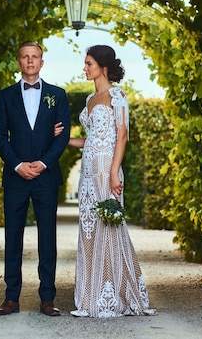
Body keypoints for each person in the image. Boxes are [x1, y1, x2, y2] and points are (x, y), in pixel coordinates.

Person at [61, 44, 157, 317]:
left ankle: (117, 296)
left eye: (89, 63)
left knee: (110, 227)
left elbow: (122, 135)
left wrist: (115, 172)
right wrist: (64, 139)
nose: (85, 68)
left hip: (107, 170)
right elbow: (89, 140)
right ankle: (90, 300)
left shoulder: (118, 95)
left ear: (103, 67)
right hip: (88, 171)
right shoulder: (90, 100)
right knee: (88, 230)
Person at [0, 41, 71, 317]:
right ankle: (11, 297)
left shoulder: (57, 96)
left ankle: (47, 298)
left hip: (46, 178)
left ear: (41, 62)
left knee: (47, 237)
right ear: (18, 62)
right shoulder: (5, 96)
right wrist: (17, 165)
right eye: (25, 56)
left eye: (34, 56)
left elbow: (63, 137)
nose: (29, 61)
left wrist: (43, 163)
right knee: (13, 236)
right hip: (15, 177)